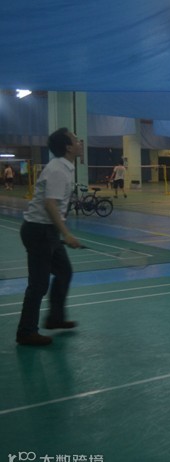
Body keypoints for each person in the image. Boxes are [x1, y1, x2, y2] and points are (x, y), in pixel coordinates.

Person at [16, 128, 83, 346]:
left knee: (64, 271)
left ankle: (55, 318)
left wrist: (59, 232)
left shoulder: (65, 167)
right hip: (39, 231)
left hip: (47, 231)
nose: (80, 142)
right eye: (76, 140)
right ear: (68, 147)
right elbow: (50, 204)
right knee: (38, 284)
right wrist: (67, 234)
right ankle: (26, 332)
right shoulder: (57, 170)